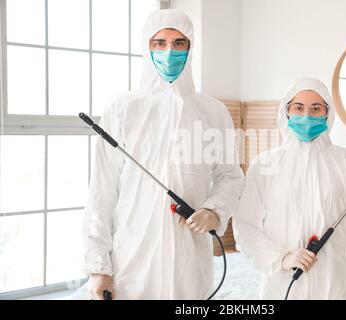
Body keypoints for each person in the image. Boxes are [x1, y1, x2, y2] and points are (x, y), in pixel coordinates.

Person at [83, 9, 244, 300]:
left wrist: (214, 211)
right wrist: (98, 268)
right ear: (147, 48)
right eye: (160, 43)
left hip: (190, 256)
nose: (169, 51)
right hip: (132, 257)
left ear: (190, 48)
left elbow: (230, 176)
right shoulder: (123, 108)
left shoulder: (212, 111)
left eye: (179, 43)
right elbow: (101, 194)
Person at [233, 77, 346, 299]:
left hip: (334, 286)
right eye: (299, 107)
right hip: (281, 287)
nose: (307, 115)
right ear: (287, 112)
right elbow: (245, 227)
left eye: (316, 108)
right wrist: (282, 259)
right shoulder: (264, 165)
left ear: (327, 114)